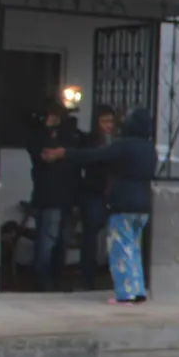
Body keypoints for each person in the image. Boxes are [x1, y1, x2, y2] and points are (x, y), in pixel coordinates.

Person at [47, 107, 156, 305]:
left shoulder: (125, 145)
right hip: (143, 205)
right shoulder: (149, 149)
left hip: (124, 203)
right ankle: (138, 290)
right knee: (134, 247)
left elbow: (95, 155)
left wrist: (66, 153)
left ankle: (124, 294)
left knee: (120, 248)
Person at [25, 105, 83, 292]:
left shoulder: (70, 137)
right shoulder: (37, 138)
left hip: (67, 196)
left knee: (62, 241)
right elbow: (42, 155)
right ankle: (43, 281)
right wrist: (48, 133)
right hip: (48, 197)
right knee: (47, 240)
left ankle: (56, 279)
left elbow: (74, 157)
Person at [77, 106, 118, 291]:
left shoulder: (117, 142)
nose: (107, 126)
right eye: (104, 122)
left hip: (112, 194)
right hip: (93, 193)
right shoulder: (90, 141)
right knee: (90, 237)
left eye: (110, 122)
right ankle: (87, 278)